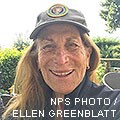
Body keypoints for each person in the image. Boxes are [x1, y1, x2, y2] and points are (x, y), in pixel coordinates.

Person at [2, 4, 120, 120]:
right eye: (48, 46)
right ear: (37, 59)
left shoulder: (113, 105)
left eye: (72, 45)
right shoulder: (18, 114)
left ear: (87, 56)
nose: (61, 60)